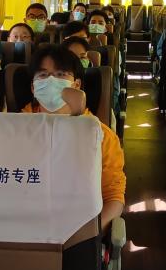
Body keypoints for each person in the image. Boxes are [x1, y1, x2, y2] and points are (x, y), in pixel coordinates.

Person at [22, 45, 125, 229]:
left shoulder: (101, 136)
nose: (51, 81)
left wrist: (88, 234)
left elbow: (113, 197)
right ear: (33, 87)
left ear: (76, 85)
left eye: (61, 74)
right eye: (43, 75)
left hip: (80, 229)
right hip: (22, 224)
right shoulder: (14, 129)